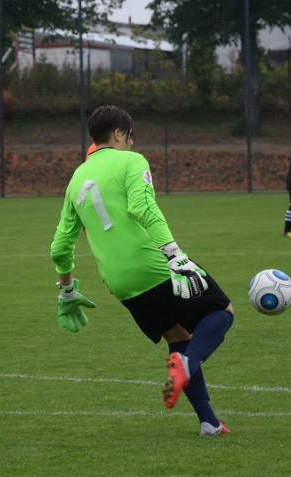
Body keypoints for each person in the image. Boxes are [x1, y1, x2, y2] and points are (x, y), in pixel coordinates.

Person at [50, 105, 234, 436]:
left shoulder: (76, 177)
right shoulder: (132, 161)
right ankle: (189, 365)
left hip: (120, 283)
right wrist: (174, 254)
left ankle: (209, 422)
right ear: (119, 134)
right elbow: (142, 207)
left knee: (178, 336)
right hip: (153, 265)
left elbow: (61, 244)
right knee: (223, 311)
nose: (132, 144)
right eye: (130, 137)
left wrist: (67, 291)